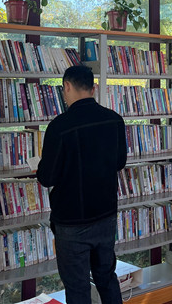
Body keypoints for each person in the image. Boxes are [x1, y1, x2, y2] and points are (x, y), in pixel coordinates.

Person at [36, 65, 127, 304]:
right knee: (106, 277)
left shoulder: (59, 126)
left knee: (77, 288)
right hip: (106, 214)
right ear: (93, 88)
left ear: (67, 86)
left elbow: (47, 178)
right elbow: (119, 162)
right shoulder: (114, 120)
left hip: (72, 221)